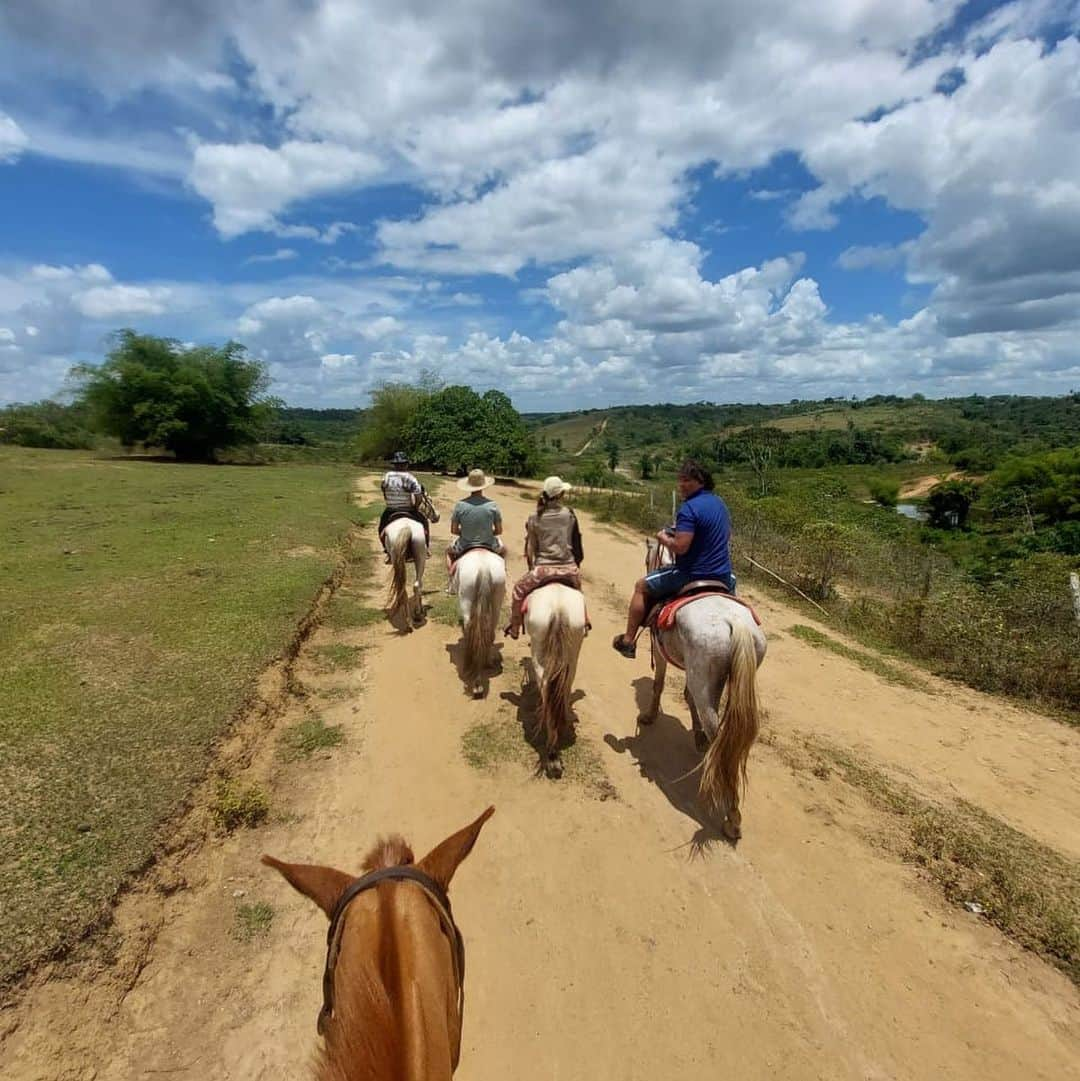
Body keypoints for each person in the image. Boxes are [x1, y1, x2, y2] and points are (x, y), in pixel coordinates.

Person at [612, 459, 733, 658]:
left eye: (686, 480)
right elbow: (727, 535)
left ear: (700, 481)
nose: (681, 485)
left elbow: (680, 547)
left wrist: (663, 538)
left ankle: (628, 641)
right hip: (723, 575)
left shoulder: (689, 508)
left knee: (641, 586)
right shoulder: (719, 503)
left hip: (690, 574)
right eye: (680, 480)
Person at [505, 476, 584, 639]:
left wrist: (531, 567)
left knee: (518, 591)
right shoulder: (569, 514)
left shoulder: (534, 517)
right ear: (561, 494)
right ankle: (585, 623)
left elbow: (530, 548)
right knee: (579, 594)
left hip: (542, 570)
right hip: (569, 569)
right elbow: (576, 542)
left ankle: (515, 626)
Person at [446, 468, 505, 590]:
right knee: (504, 551)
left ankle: (451, 582)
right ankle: (502, 579)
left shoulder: (460, 505)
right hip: (489, 544)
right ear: (483, 486)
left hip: (465, 545)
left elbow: (453, 530)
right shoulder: (492, 505)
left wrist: (466, 531)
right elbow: (499, 531)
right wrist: (488, 532)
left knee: (448, 552)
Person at [378, 451, 429, 559]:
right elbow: (418, 496)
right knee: (424, 524)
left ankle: (387, 550)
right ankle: (426, 549)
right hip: (408, 509)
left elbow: (384, 490)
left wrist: (389, 502)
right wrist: (415, 507)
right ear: (406, 464)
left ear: (395, 465)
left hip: (391, 510)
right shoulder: (410, 478)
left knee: (381, 528)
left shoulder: (386, 476)